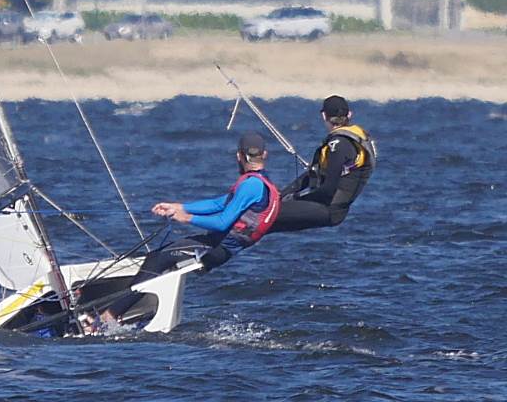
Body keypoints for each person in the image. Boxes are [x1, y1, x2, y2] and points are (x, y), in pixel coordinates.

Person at [90, 131, 280, 329]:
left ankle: (108, 317)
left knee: (157, 259)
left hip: (215, 249)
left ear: (239, 156)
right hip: (219, 247)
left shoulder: (252, 185)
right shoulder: (259, 183)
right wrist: (179, 207)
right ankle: (120, 313)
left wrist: (186, 218)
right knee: (159, 259)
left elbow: (223, 222)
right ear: (264, 155)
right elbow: (218, 204)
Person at [268, 94, 375, 234]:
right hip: (330, 209)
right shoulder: (354, 139)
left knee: (264, 215)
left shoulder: (338, 145)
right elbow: (311, 175)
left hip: (329, 210)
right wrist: (283, 195)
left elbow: (328, 190)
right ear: (349, 114)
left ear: (324, 116)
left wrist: (295, 198)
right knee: (265, 225)